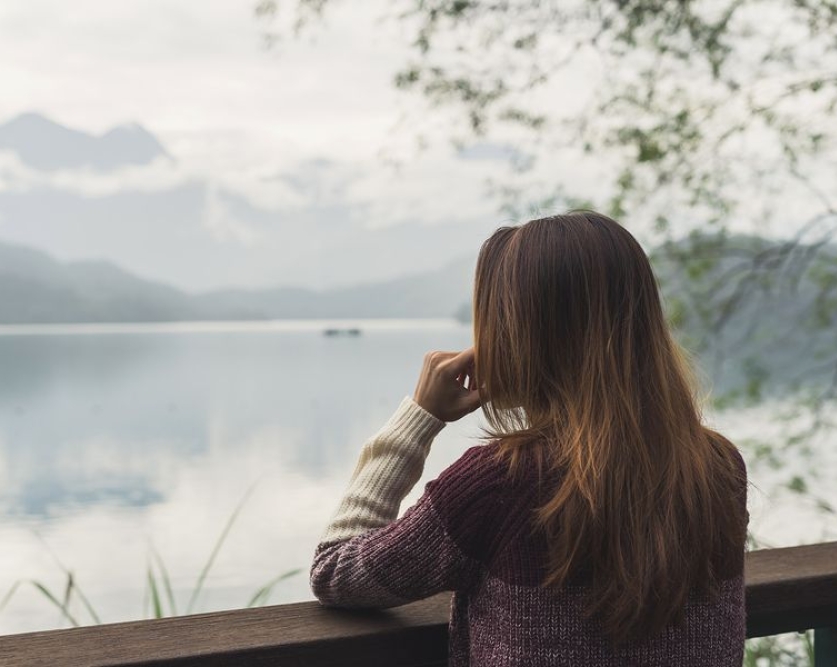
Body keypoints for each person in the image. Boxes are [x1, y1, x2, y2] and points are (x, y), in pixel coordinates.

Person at [310, 211, 749, 666]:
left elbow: (336, 573)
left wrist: (418, 419)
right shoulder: (718, 466)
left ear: (518, 335)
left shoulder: (501, 483)